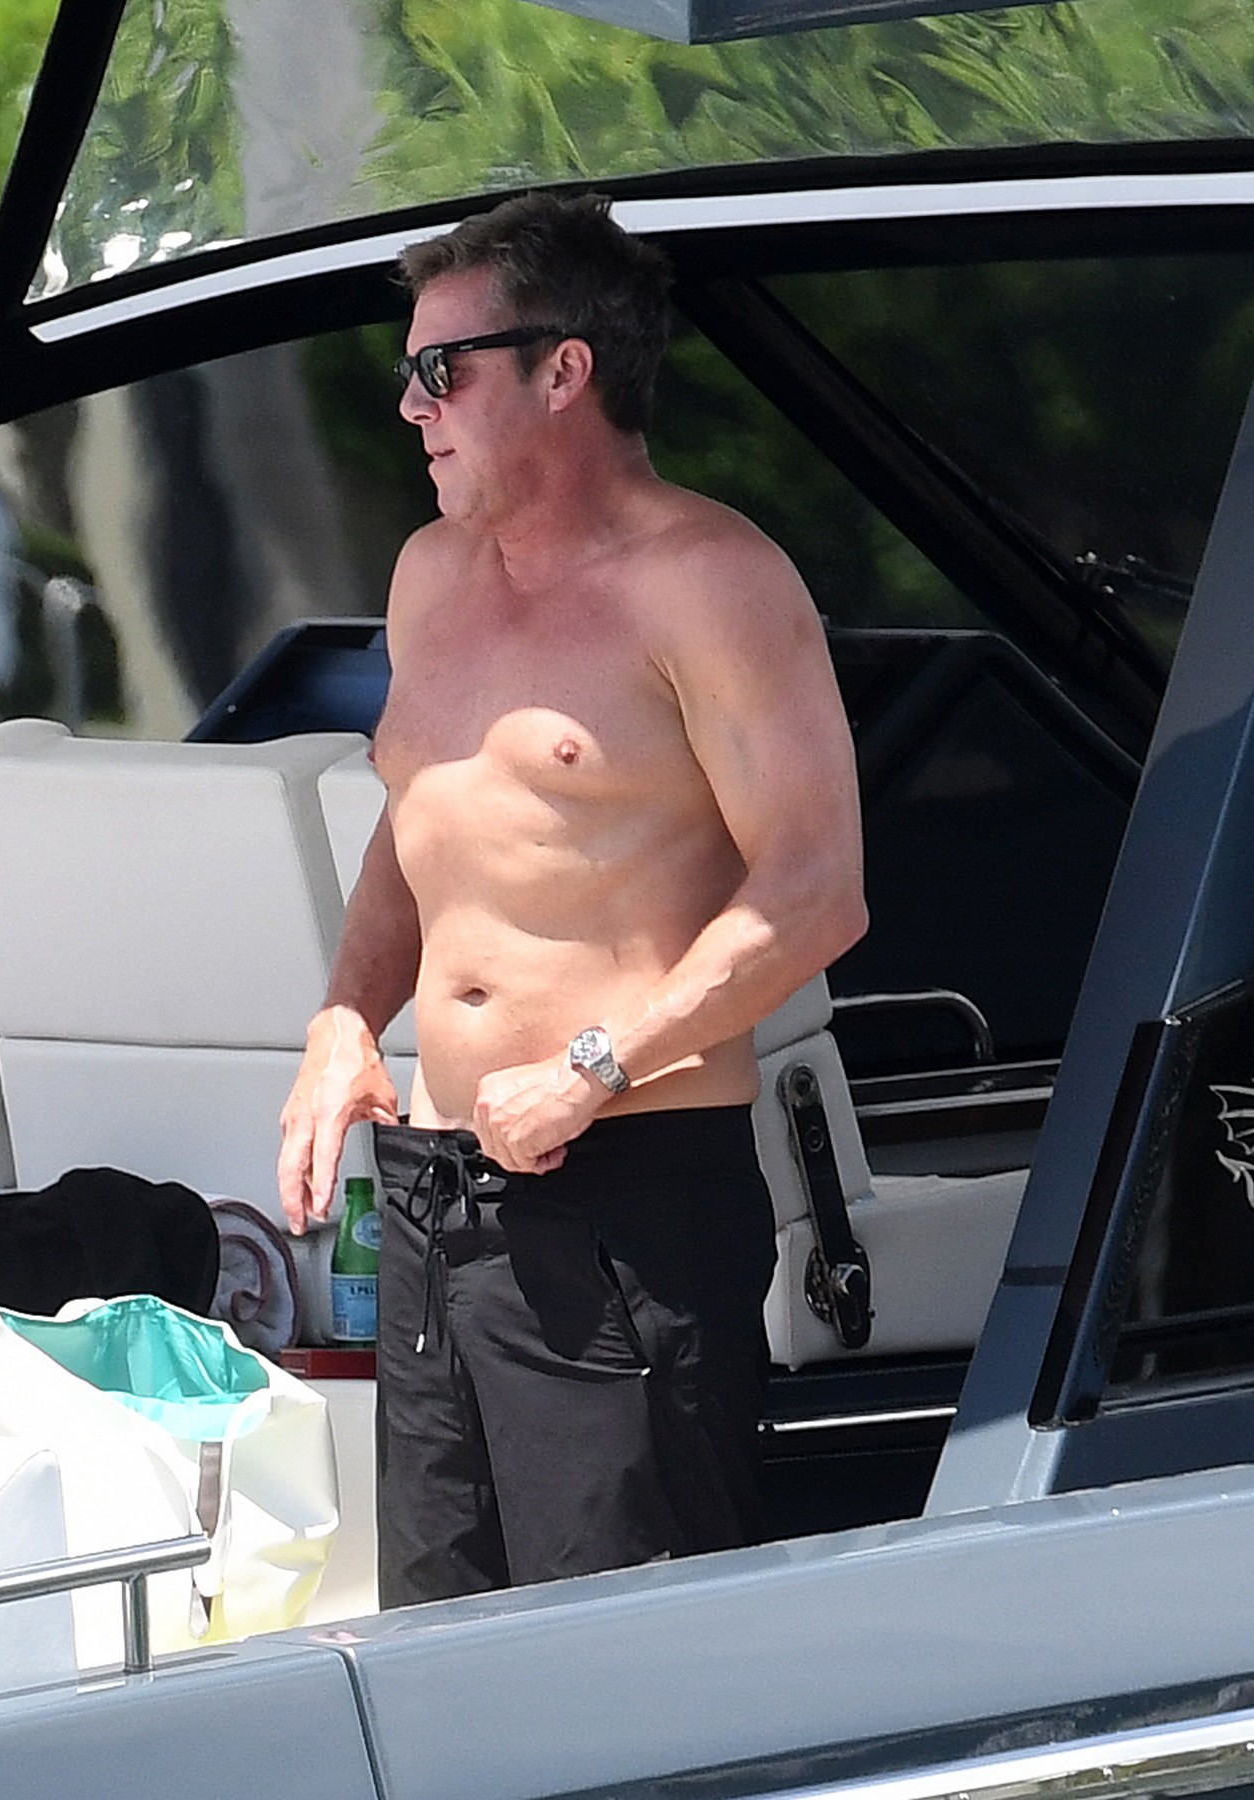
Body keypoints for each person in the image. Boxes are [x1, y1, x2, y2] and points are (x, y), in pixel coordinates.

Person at [276, 192, 867, 1603]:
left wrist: (591, 1069)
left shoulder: (707, 580)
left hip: (624, 1185)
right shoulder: (429, 573)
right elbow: (421, 820)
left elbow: (816, 891)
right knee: (436, 1634)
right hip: (434, 1191)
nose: (410, 406)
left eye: (441, 369)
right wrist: (344, 1018)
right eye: (407, 370)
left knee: (623, 1649)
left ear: (563, 370)